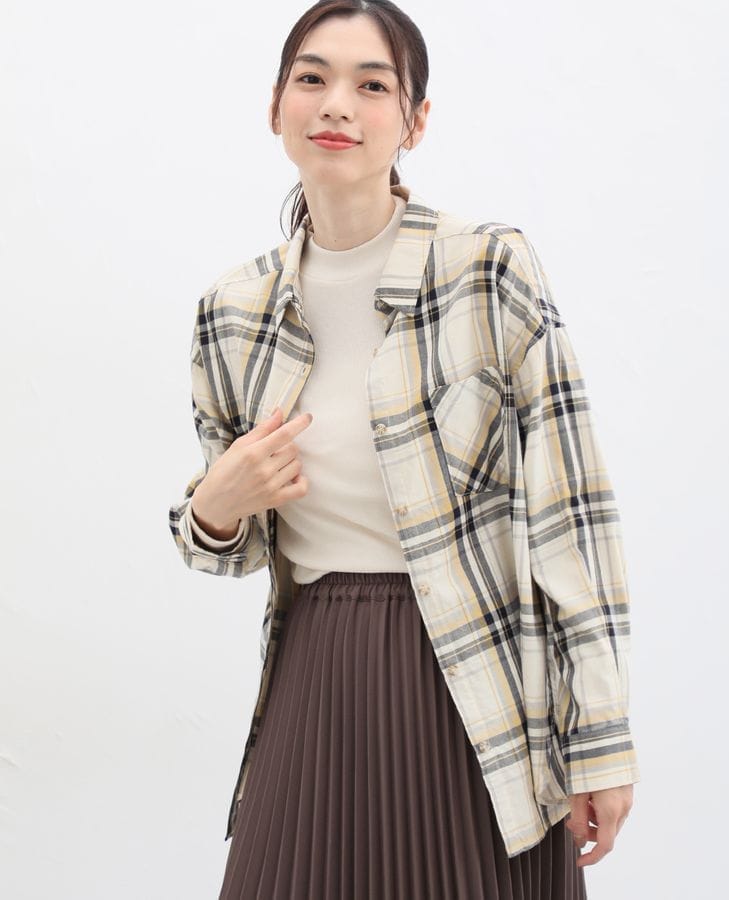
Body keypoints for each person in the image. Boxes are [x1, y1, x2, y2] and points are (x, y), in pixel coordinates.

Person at [167, 1, 640, 897]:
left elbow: (571, 514)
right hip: (317, 672)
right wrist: (214, 510)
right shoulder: (232, 310)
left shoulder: (485, 267)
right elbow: (230, 542)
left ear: (415, 121)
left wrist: (602, 739)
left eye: (372, 85)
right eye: (312, 78)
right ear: (275, 108)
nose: (336, 104)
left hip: (476, 682)